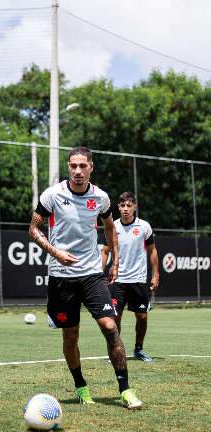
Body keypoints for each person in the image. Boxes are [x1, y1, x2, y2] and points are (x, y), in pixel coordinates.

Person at [29, 146, 142, 409]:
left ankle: (125, 390)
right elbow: (33, 229)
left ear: (91, 166)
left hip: (92, 274)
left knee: (110, 327)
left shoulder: (101, 198)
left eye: (83, 166)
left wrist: (115, 260)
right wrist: (55, 252)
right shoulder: (52, 195)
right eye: (73, 166)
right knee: (71, 336)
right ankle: (81, 387)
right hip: (61, 277)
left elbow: (110, 227)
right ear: (69, 167)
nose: (77, 171)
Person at [101, 191, 159, 362]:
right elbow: (105, 251)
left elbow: (152, 251)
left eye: (129, 206)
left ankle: (139, 349)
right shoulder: (112, 227)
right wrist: (99, 272)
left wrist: (156, 274)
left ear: (135, 207)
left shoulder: (144, 227)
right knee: (114, 317)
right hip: (117, 280)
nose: (125, 209)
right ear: (118, 207)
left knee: (142, 316)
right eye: (122, 206)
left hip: (139, 280)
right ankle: (115, 349)